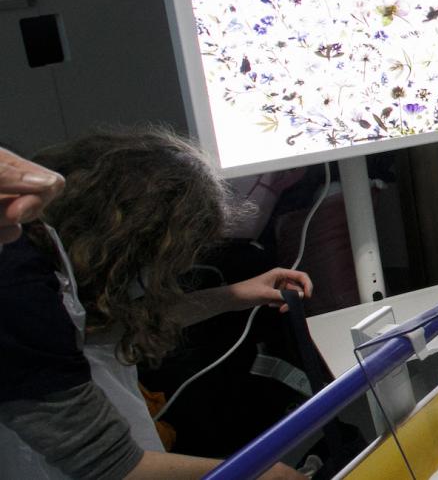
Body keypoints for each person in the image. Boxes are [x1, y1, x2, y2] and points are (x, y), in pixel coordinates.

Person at [0, 129, 310, 479]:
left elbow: (107, 324)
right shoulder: (19, 290)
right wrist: (259, 473)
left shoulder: (48, 250)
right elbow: (114, 467)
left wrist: (234, 295)